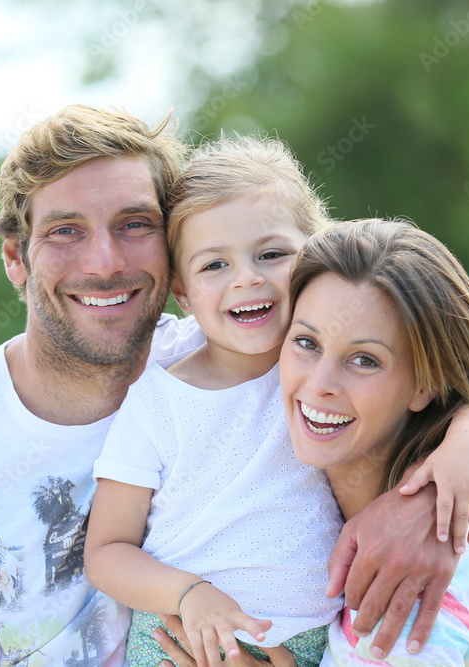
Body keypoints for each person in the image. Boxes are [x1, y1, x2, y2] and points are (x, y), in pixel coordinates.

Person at [0, 105, 469, 666]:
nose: (104, 262)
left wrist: (426, 506)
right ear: (16, 259)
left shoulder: (268, 352)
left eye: (133, 223)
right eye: (64, 232)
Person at [85, 135, 343, 667]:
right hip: (185, 641)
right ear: (182, 294)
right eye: (213, 266)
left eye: (271, 254)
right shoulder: (158, 401)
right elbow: (107, 553)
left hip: (319, 643)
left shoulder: (336, 374)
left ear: (316, 257)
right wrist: (189, 594)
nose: (248, 277)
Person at [281, 218, 469, 665]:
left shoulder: (405, 615)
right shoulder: (460, 464)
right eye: (306, 341)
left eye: (364, 360)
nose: (319, 383)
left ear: (426, 385)